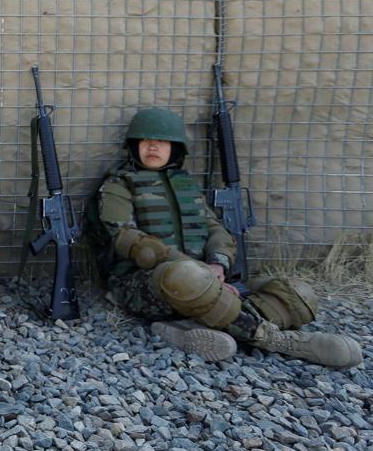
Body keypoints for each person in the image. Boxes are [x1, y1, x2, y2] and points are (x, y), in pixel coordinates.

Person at [94, 107, 361, 368]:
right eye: (146, 141)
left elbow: (216, 229)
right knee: (186, 275)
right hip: (143, 285)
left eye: (162, 141)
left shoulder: (187, 186)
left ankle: (191, 326)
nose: (153, 147)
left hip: (206, 280)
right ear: (134, 146)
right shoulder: (119, 185)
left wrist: (218, 264)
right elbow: (129, 239)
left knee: (298, 294)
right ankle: (271, 339)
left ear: (176, 148)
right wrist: (200, 272)